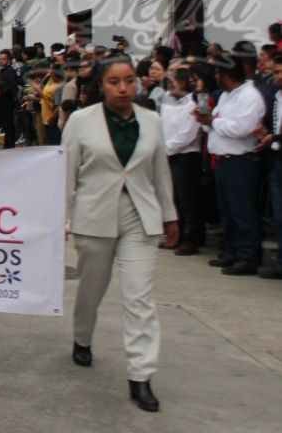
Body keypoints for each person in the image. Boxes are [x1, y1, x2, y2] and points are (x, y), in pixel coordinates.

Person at [63, 56, 178, 413]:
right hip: (93, 217)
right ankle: (82, 338)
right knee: (92, 288)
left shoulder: (152, 121)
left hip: (139, 217)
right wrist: (60, 220)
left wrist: (170, 215)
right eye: (115, 81)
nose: (124, 88)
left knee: (139, 298)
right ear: (101, 85)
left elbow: (161, 172)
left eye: (130, 80)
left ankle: (141, 375)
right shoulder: (81, 122)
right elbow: (66, 176)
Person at [196, 50, 266, 275]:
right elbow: (216, 123)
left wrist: (214, 122)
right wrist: (206, 121)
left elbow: (241, 129)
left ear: (228, 74)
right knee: (227, 210)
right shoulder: (226, 95)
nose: (215, 76)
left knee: (242, 210)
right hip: (223, 160)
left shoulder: (250, 97)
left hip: (241, 162)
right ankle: (231, 252)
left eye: (218, 72)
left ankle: (248, 257)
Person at [161, 67, 203, 255]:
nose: (170, 85)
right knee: (174, 198)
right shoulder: (168, 103)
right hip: (169, 154)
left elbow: (188, 134)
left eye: (173, 81)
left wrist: (168, 149)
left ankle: (191, 239)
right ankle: (176, 235)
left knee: (188, 199)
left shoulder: (193, 103)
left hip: (186, 155)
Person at [255, 53, 282, 278]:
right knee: (278, 214)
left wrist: (274, 138)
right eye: (274, 73)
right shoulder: (276, 95)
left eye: (280, 73)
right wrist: (269, 135)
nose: (276, 77)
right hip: (276, 159)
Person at [0, 49, 19, 148]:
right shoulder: (2, 71)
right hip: (2, 101)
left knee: (9, 125)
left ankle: (9, 146)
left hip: (8, 102)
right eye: (0, 59)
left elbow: (11, 86)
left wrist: (0, 91)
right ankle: (7, 144)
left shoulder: (10, 71)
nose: (1, 61)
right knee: (6, 125)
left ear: (8, 60)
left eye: (3, 59)